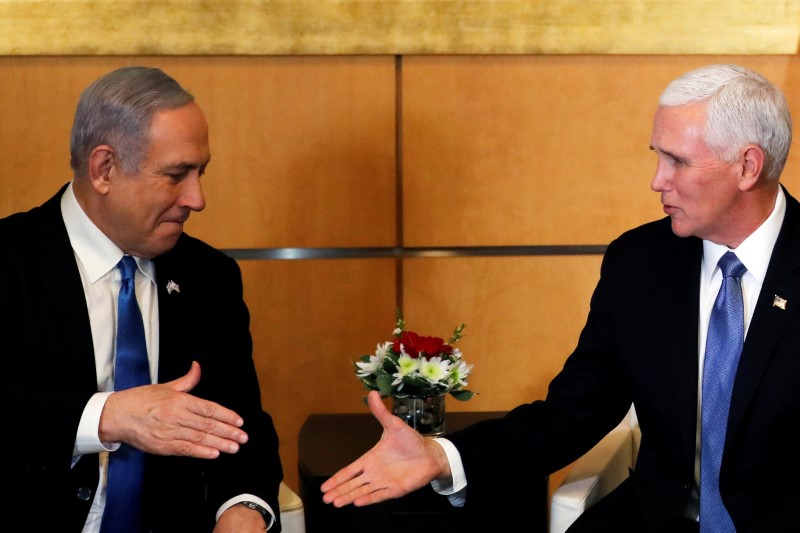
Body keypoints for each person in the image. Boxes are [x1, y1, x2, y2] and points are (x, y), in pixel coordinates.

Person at [320, 63, 800, 532]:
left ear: (747, 166)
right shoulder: (641, 262)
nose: (657, 180)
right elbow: (574, 412)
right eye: (657, 155)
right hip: (660, 519)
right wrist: (442, 455)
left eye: (677, 160)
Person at [2, 66, 284, 532]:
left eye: (201, 172)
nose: (197, 198)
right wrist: (108, 416)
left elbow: (240, 429)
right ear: (104, 169)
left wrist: (244, 508)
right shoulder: (10, 262)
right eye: (176, 175)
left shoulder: (211, 277)